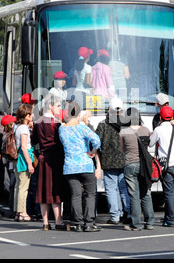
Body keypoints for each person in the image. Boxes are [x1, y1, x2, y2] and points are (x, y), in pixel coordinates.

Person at [58, 101, 102, 232]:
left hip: (70, 166)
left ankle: (77, 223)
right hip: (85, 164)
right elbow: (97, 140)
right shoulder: (82, 128)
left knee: (75, 195)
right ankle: (89, 223)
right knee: (90, 194)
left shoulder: (62, 129)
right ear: (78, 113)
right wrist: (93, 151)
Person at [32, 94, 69, 231]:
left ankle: (45, 223)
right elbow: (61, 142)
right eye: (58, 106)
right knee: (55, 190)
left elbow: (34, 140)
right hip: (55, 158)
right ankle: (58, 221)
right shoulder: (56, 123)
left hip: (42, 158)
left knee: (43, 190)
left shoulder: (38, 121)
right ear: (50, 106)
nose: (60, 108)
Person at [95, 97, 130, 225]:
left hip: (108, 161)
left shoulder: (103, 124)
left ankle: (115, 216)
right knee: (123, 188)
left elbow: (96, 142)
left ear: (109, 109)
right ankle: (127, 212)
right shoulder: (126, 124)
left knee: (110, 188)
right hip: (124, 159)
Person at [149, 106, 174, 227]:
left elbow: (150, 143)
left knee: (168, 192)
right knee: (172, 190)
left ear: (160, 117)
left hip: (166, 165)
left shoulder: (158, 130)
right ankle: (168, 216)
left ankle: (170, 219)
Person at [120, 107, 154, 230]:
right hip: (145, 165)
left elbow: (123, 149)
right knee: (146, 193)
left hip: (130, 164)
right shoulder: (145, 129)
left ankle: (136, 224)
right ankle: (150, 223)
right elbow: (148, 145)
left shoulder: (124, 131)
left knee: (134, 195)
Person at [14, 104, 35, 222]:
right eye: (30, 114)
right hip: (23, 158)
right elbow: (24, 147)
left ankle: (17, 212)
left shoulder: (17, 126)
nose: (32, 116)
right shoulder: (24, 128)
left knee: (18, 185)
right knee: (23, 187)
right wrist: (29, 163)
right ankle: (22, 212)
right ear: (26, 115)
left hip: (17, 159)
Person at [0, 114, 17, 217]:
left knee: (12, 186)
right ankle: (13, 209)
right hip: (12, 164)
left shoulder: (4, 136)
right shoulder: (10, 135)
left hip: (7, 163)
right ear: (10, 124)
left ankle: (12, 209)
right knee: (14, 186)